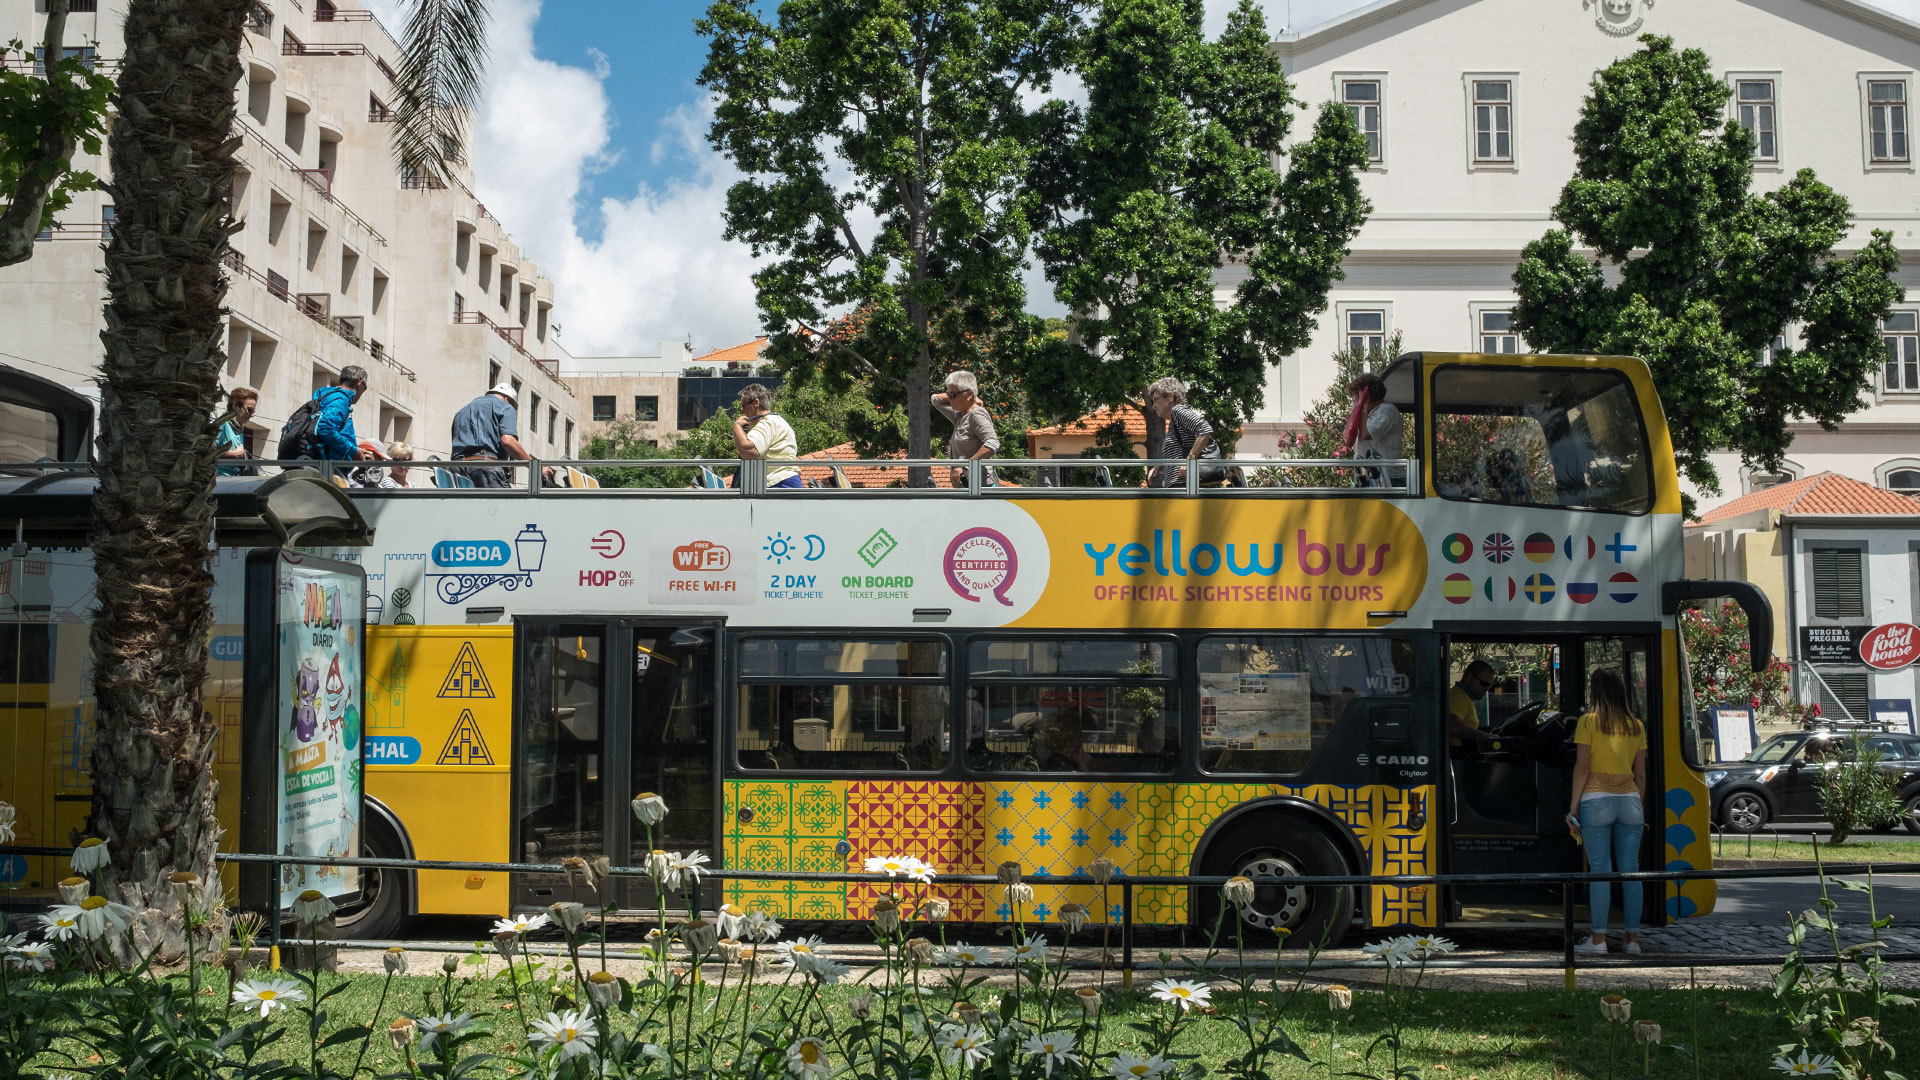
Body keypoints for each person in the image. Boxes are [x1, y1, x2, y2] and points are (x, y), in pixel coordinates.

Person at [1567, 668, 1648, 956]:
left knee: (1600, 872)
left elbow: (1582, 769)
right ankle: (1632, 940)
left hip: (1596, 800)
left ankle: (1599, 941)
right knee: (1631, 872)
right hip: (1629, 802)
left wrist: (1573, 807)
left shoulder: (1588, 722)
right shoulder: (1636, 726)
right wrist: (1636, 803)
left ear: (1595, 692)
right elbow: (1641, 776)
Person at [451, 382, 551, 488]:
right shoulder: (506, 407)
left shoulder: (461, 411)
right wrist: (535, 466)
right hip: (485, 468)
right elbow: (507, 441)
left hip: (457, 470)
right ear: (507, 399)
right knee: (503, 504)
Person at [1146, 377, 1228, 488]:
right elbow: (1178, 453)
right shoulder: (1173, 423)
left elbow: (1204, 429)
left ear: (1170, 396)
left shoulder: (1178, 410)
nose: (1154, 406)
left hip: (1186, 487)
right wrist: (1160, 466)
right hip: (1179, 486)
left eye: (1156, 399)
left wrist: (1189, 460)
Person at [932, 371, 998, 486]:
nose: (950, 398)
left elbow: (992, 443)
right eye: (948, 394)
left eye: (953, 395)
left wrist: (967, 465)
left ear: (969, 395)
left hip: (981, 487)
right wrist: (971, 397)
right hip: (965, 486)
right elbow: (935, 400)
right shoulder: (959, 414)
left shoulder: (976, 415)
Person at [729, 383, 802, 488]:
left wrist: (737, 427)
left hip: (778, 484)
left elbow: (749, 452)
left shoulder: (767, 423)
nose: (742, 411)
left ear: (756, 402)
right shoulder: (777, 421)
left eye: (744, 406)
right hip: (786, 482)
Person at [1342, 372, 1403, 488]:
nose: (1355, 400)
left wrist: (1363, 407)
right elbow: (1347, 436)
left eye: (1357, 396)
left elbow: (1367, 434)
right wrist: (1357, 411)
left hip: (1387, 478)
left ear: (1366, 395)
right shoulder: (1363, 414)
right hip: (1365, 477)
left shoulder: (1387, 410)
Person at [309, 366, 370, 465]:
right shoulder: (340, 400)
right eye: (365, 388)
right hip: (329, 467)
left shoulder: (326, 396)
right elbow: (325, 428)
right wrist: (353, 450)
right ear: (360, 383)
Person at [214, 386, 259, 476]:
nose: (252, 415)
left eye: (253, 411)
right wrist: (233, 455)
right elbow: (206, 453)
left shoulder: (238, 429)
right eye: (250, 410)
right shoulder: (222, 425)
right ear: (235, 406)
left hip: (233, 480)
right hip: (219, 481)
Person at [1448, 660, 1496, 740]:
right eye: (1484, 684)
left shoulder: (1462, 696)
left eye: (1490, 686)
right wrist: (1484, 735)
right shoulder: (1460, 697)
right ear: (1470, 678)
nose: (1487, 689)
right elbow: (1453, 726)